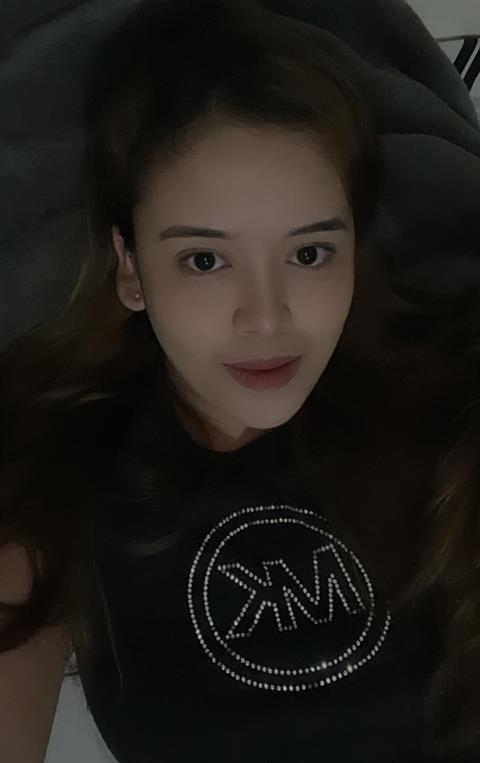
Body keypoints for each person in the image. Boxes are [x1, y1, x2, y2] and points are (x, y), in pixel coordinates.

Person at [0, 0, 479, 761]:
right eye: (204, 259)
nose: (266, 317)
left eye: (309, 254)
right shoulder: (58, 478)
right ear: (131, 270)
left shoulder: (447, 409)